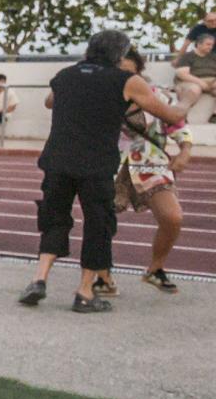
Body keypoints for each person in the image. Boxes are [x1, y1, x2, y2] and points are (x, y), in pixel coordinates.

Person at [19, 28, 186, 312]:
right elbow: (170, 115)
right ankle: (84, 292)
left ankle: (39, 279)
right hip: (96, 163)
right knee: (99, 224)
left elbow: (50, 101)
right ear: (120, 55)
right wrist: (187, 101)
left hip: (58, 159)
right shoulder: (127, 81)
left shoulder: (65, 75)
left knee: (54, 218)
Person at [107, 48, 193, 295]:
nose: (123, 78)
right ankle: (101, 275)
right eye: (117, 72)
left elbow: (178, 125)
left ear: (138, 72)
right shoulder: (101, 96)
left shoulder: (158, 97)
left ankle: (155, 269)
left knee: (172, 217)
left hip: (151, 163)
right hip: (110, 165)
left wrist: (185, 151)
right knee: (101, 222)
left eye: (128, 73)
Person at [171, 27, 215, 121]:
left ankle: (214, 115)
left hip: (211, 81)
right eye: (208, 44)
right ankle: (180, 115)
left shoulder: (213, 57)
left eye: (212, 45)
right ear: (199, 44)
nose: (210, 47)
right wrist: (201, 83)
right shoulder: (188, 56)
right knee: (194, 89)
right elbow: (182, 74)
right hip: (190, 81)